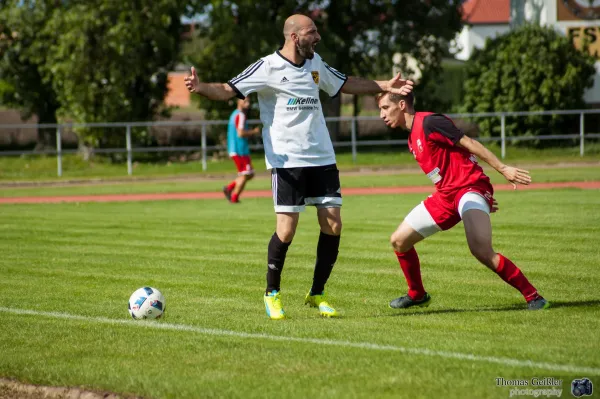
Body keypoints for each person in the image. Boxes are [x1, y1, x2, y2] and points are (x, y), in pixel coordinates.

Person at [185, 14, 414, 320]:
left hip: (322, 157)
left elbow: (345, 83)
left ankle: (317, 293)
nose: (317, 37)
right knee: (287, 229)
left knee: (333, 224)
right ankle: (272, 294)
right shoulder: (267, 67)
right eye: (312, 32)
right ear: (294, 36)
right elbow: (228, 89)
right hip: (287, 160)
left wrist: (385, 84)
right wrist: (200, 88)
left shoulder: (316, 63)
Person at [376, 91, 550, 311]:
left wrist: (502, 169)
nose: (381, 114)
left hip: (469, 188)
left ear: (401, 105)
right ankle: (417, 294)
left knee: (480, 250)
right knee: (399, 240)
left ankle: (534, 297)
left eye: (384, 108)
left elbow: (469, 143)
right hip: (446, 196)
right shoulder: (411, 137)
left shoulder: (430, 122)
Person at [223, 97, 261, 204]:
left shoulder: (234, 114)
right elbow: (240, 133)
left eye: (249, 101)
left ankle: (229, 188)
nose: (248, 104)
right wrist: (254, 131)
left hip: (236, 149)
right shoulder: (241, 115)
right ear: (238, 101)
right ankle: (234, 198)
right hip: (240, 150)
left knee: (249, 174)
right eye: (245, 101)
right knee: (245, 174)